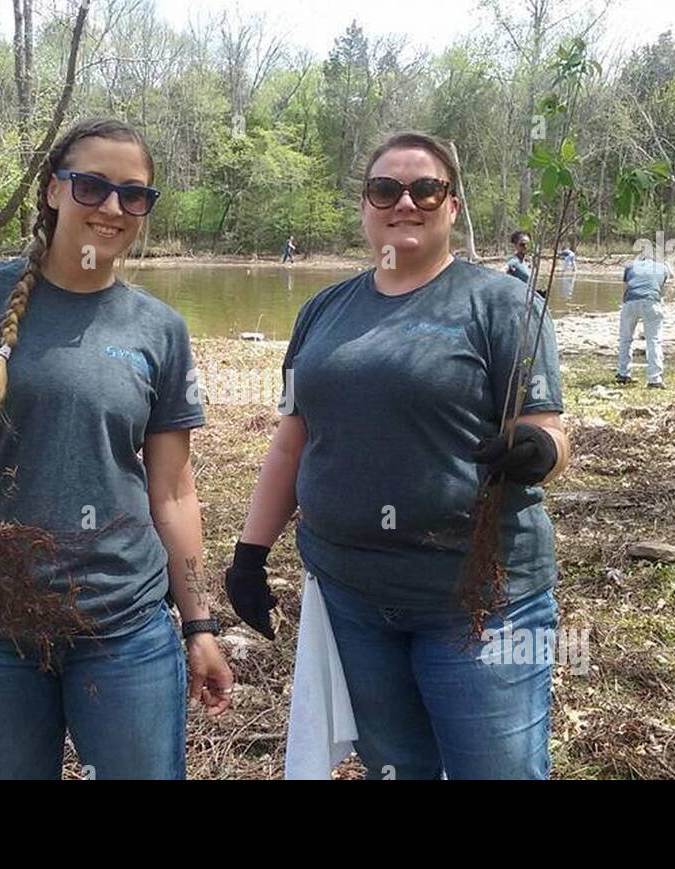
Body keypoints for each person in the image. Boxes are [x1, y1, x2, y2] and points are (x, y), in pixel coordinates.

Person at [224, 130, 571, 779]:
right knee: (398, 767)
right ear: (364, 205)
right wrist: (251, 551)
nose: (404, 201)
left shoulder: (504, 305)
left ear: (453, 206)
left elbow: (550, 432)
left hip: (478, 603)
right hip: (353, 599)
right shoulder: (323, 311)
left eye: (425, 188)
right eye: (386, 188)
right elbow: (292, 439)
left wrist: (533, 450)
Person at [0, 118, 233, 780]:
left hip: (123, 626)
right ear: (53, 190)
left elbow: (172, 491)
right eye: (91, 186)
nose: (112, 207)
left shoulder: (159, 329)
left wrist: (198, 625)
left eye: (133, 194)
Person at [616, 253, 673, 388]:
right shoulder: (662, 267)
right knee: (653, 340)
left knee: (625, 339)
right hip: (651, 301)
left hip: (631, 301)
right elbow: (666, 288)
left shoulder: (630, 266)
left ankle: (623, 374)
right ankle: (654, 378)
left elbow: (625, 288)